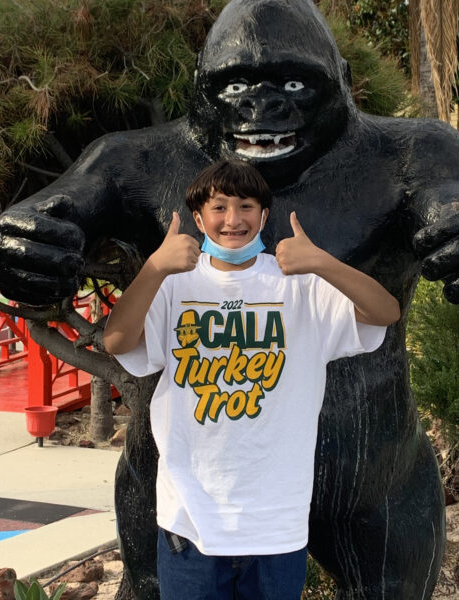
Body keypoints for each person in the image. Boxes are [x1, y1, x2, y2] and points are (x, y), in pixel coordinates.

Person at [103, 159, 400, 600]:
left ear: (264, 216)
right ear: (199, 218)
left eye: (246, 206)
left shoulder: (299, 286)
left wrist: (321, 262)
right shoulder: (171, 285)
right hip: (190, 520)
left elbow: (385, 312)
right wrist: (154, 268)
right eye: (218, 207)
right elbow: (117, 340)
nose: (232, 219)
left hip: (275, 521)